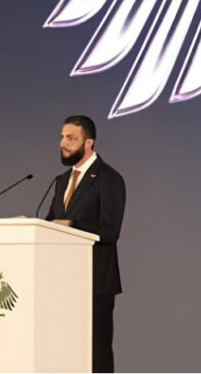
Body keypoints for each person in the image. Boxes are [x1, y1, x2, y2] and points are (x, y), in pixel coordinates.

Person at [45, 115, 126, 373]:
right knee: (63, 350)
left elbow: (110, 231)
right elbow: (51, 224)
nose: (63, 143)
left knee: (95, 352)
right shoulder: (61, 181)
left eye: (71, 138)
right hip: (61, 281)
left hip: (94, 280)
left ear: (88, 143)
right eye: (62, 137)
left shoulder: (108, 178)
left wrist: (72, 225)